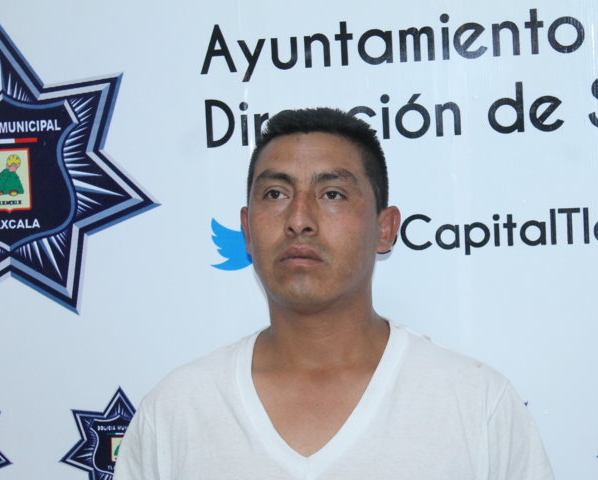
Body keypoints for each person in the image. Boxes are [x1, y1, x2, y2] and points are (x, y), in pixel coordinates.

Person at [114, 108, 554, 480]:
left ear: (385, 228)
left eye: (332, 194)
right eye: (275, 193)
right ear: (247, 229)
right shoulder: (176, 412)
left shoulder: (476, 405)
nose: (299, 220)